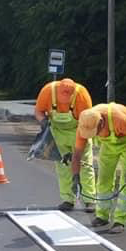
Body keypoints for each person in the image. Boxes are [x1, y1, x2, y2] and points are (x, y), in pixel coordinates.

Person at [70, 103, 126, 234]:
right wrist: (75, 177)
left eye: (94, 133)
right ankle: (102, 216)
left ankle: (120, 220)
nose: (92, 136)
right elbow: (77, 154)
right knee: (103, 178)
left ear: (101, 122)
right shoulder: (84, 125)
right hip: (108, 145)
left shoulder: (119, 119)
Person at [34, 78, 97, 212]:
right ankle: (67, 200)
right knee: (62, 166)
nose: (65, 101)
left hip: (79, 131)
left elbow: (88, 123)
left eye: (68, 98)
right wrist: (43, 121)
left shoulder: (82, 96)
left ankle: (90, 200)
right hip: (58, 134)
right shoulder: (47, 91)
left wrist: (77, 153)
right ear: (57, 92)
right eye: (62, 97)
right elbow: (38, 111)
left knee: (85, 166)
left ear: (73, 94)